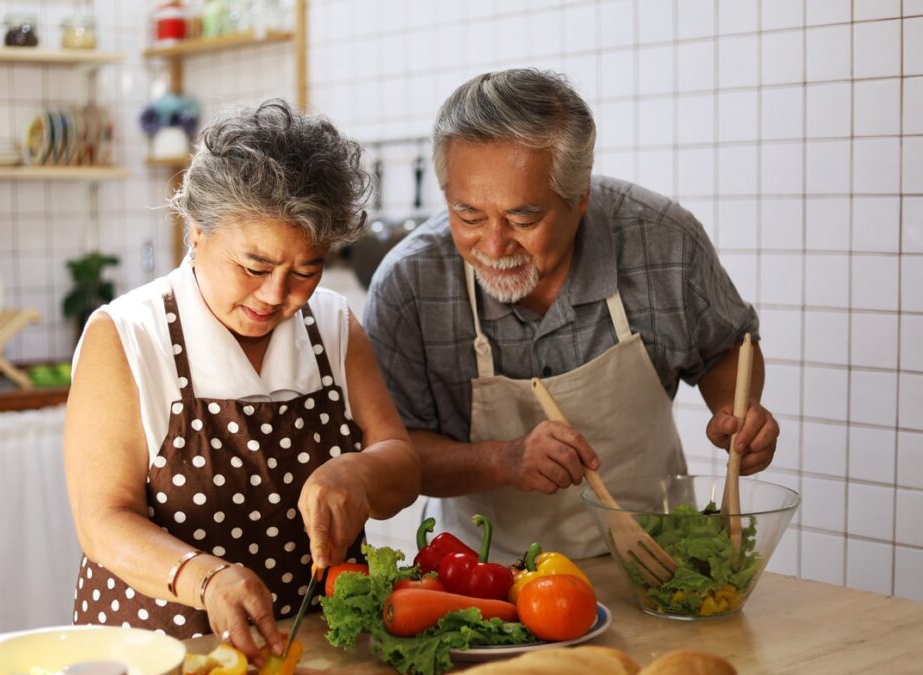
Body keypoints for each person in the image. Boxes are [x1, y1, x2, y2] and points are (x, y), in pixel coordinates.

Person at [362, 69, 779, 563]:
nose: (494, 246)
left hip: (657, 565)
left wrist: (737, 413)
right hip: (488, 579)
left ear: (580, 199)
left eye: (523, 218)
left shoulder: (661, 240)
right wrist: (504, 460)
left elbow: (725, 348)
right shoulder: (409, 285)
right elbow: (396, 455)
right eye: (468, 215)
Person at [64, 99, 421, 665]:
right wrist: (205, 578)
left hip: (315, 651)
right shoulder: (129, 336)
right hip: (163, 652)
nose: (278, 295)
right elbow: (102, 521)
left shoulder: (332, 325)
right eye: (254, 267)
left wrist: (358, 471)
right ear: (196, 231)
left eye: (306, 270)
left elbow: (402, 466)